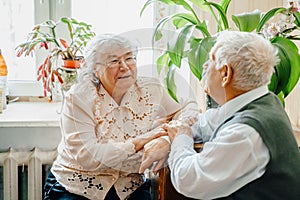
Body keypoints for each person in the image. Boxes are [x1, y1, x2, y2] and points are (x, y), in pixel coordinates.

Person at [142, 30, 300, 199]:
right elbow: (203, 123)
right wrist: (169, 139)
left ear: (225, 73)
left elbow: (188, 179)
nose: (204, 66)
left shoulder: (245, 133)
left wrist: (181, 137)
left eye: (211, 59)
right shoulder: (263, 101)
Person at [43, 34, 198, 200]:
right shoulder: (79, 97)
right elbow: (89, 157)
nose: (124, 66)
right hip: (76, 187)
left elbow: (189, 108)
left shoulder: (150, 88)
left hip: (130, 187)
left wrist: (166, 140)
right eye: (114, 61)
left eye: (129, 58)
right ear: (95, 68)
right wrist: (147, 138)